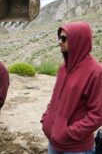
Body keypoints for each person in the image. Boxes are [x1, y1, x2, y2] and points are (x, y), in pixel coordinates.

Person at [41, 21, 102, 154]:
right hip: (53, 143)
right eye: (59, 37)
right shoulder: (63, 67)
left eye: (64, 38)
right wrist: (46, 120)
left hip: (77, 149)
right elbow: (55, 99)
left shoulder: (96, 72)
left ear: (78, 40)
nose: (60, 42)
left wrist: (68, 133)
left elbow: (97, 115)